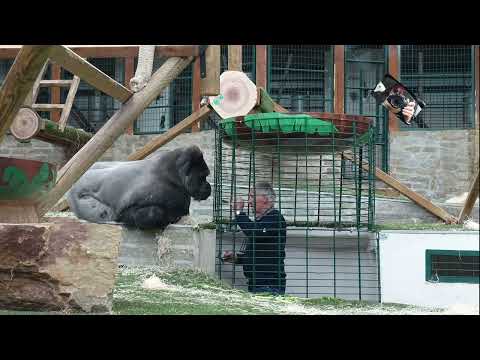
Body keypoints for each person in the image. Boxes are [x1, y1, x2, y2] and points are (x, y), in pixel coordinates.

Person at [222, 182, 287, 295]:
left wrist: (238, 212)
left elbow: (255, 233)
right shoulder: (262, 221)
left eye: (252, 196)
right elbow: (260, 254)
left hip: (269, 286)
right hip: (257, 284)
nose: (249, 202)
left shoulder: (275, 217)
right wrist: (236, 257)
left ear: (265, 199)